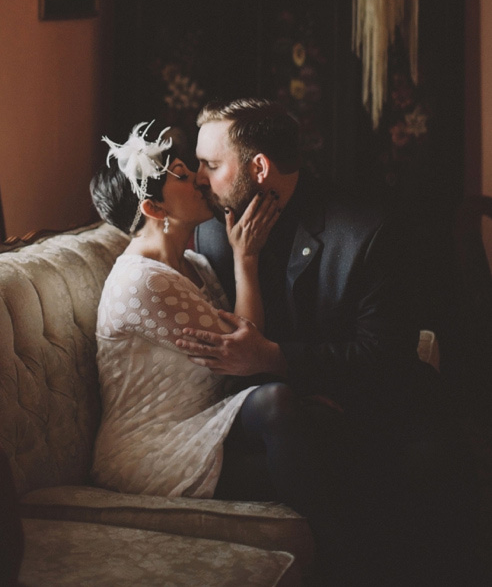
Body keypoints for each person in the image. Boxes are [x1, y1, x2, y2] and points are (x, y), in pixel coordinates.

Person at [177, 96, 478, 587]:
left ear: (258, 167)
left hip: (374, 405)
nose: (201, 180)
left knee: (434, 467)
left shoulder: (367, 230)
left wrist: (278, 359)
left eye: (211, 165)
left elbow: (385, 356)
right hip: (280, 418)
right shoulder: (210, 232)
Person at [89, 121, 282, 500]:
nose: (199, 180)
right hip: (149, 454)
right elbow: (247, 350)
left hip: (206, 423)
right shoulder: (142, 281)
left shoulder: (196, 264)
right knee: (279, 409)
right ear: (153, 206)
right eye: (181, 175)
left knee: (295, 417)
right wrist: (246, 258)